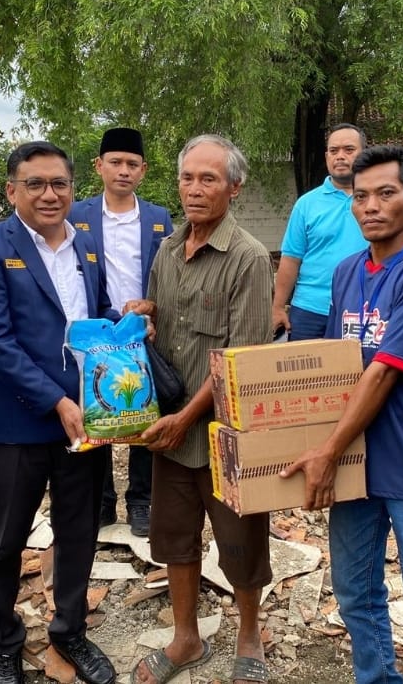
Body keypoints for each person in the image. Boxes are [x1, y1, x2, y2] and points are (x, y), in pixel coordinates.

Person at [281, 145, 403, 684]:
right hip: (355, 464)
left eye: (386, 193)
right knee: (355, 593)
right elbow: (334, 367)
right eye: (360, 197)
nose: (371, 207)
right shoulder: (346, 272)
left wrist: (326, 450)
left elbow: (384, 371)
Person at [0, 141, 119, 684]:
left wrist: (125, 324)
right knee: (7, 541)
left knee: (79, 533)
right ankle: (4, 644)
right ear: (12, 190)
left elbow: (95, 313)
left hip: (88, 420)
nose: (50, 194)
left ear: (73, 188)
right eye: (35, 184)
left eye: (59, 184)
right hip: (18, 424)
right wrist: (56, 400)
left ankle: (70, 632)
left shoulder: (85, 245)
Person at [127, 135, 274, 684]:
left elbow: (241, 359)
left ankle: (249, 635)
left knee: (241, 540)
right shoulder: (167, 250)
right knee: (174, 538)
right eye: (187, 178)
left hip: (224, 433)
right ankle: (186, 638)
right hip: (169, 429)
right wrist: (146, 314)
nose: (194, 189)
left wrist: (186, 419)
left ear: (234, 188)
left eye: (208, 179)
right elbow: (164, 327)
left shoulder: (248, 259)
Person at [69, 127, 173, 537]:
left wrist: (152, 313)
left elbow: (166, 275)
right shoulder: (76, 215)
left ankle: (142, 502)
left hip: (141, 331)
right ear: (99, 166)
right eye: (115, 162)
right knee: (97, 411)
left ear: (143, 170)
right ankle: (102, 501)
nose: (123, 171)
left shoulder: (158, 218)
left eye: (132, 164)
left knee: (142, 410)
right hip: (95, 332)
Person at [272, 124, 368, 340]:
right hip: (309, 310)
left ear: (364, 153)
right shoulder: (306, 205)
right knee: (304, 364)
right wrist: (277, 307)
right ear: (326, 157)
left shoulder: (375, 203)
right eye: (334, 151)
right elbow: (291, 259)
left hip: (363, 309)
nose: (340, 156)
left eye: (349, 150)